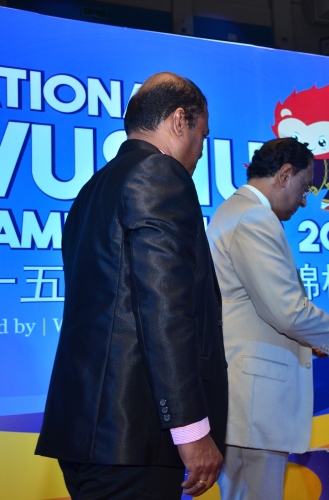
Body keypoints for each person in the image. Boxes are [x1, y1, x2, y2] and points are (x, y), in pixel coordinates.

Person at [35, 73, 228, 499]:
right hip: (134, 434)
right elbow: (164, 309)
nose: (201, 149)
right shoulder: (160, 172)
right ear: (179, 120)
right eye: (202, 133)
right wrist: (190, 428)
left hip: (85, 432)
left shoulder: (93, 188)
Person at [206, 137, 329, 500]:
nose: (304, 201)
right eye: (304, 187)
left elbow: (258, 309)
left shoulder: (231, 211)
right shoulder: (254, 217)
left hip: (243, 399)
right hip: (255, 403)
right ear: (285, 175)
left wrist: (310, 339)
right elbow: (287, 310)